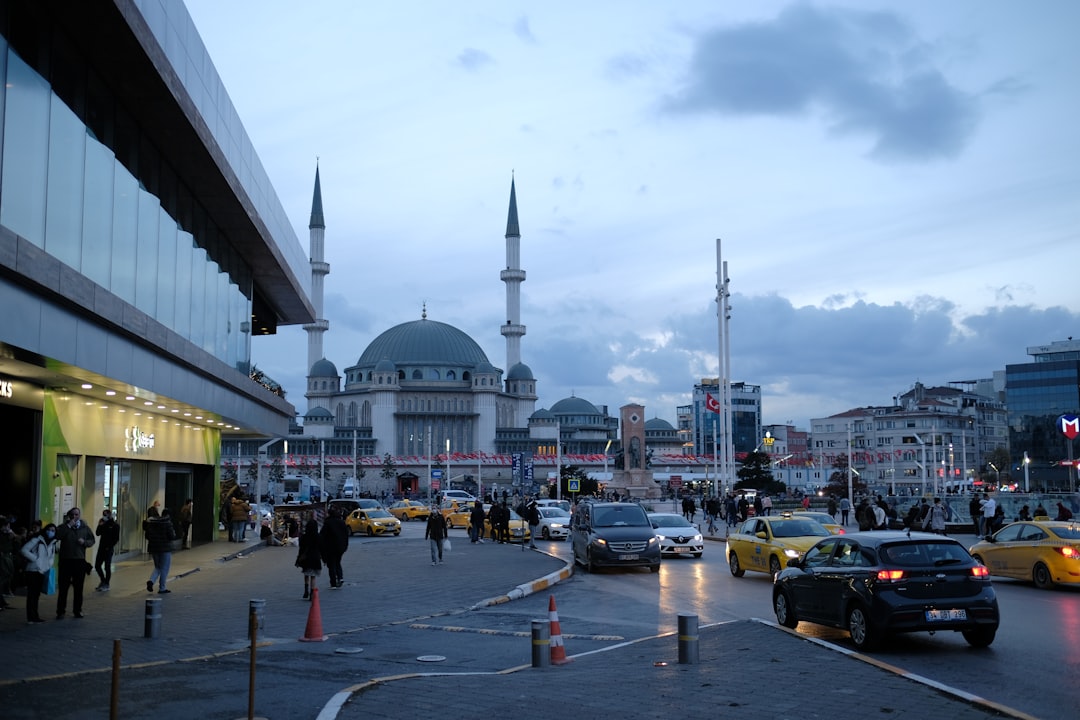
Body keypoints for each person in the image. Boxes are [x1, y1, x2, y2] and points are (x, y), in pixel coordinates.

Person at [54, 507, 95, 619]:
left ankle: (77, 610)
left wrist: (84, 542)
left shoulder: (84, 528)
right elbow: (58, 536)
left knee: (78, 588)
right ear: (69, 516)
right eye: (72, 515)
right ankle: (60, 611)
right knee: (63, 587)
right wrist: (68, 526)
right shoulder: (64, 527)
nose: (75, 517)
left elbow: (92, 540)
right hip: (65, 561)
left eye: (77, 514)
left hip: (79, 561)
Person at [19, 522, 58, 624]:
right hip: (33, 570)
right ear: (45, 530)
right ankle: (31, 617)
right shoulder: (37, 540)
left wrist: (48, 565)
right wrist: (35, 559)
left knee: (36, 595)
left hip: (43, 571)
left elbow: (51, 556)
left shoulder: (53, 542)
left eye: (53, 531)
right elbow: (24, 550)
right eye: (49, 530)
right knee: (32, 594)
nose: (51, 532)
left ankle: (35, 616)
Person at [144, 507, 177, 594]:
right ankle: (162, 588)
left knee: (158, 567)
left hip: (154, 548)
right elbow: (172, 536)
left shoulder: (151, 523)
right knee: (164, 568)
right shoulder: (167, 523)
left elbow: (147, 536)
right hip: (165, 548)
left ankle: (151, 581)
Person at [319, 508, 349, 589]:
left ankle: (333, 583)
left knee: (331, 564)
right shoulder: (341, 522)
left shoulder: (328, 523)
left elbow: (322, 536)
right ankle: (340, 577)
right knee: (338, 562)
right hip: (340, 547)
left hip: (330, 548)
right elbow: (346, 535)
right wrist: (345, 546)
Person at [295, 519, 322, 599]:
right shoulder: (318, 537)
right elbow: (321, 548)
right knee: (313, 576)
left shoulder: (304, 536)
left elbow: (301, 549)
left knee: (306, 574)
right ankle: (312, 593)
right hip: (315, 558)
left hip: (306, 558)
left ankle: (306, 591)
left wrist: (299, 558)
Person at [94, 509, 120, 591]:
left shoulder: (115, 525)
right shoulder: (103, 523)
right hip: (101, 548)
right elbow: (98, 533)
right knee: (97, 565)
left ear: (109, 515)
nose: (104, 516)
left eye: (106, 515)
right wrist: (100, 525)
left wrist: (110, 546)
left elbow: (116, 538)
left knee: (107, 566)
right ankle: (103, 580)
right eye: (103, 514)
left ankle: (106, 583)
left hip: (108, 549)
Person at [0, 516, 15, 608]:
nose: (8, 527)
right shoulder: (2, 534)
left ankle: (1, 600)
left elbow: (15, 538)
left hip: (7, 556)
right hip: (3, 557)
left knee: (7, 576)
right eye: (7, 525)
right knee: (3, 577)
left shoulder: (6, 534)